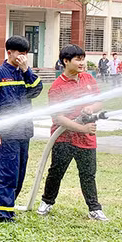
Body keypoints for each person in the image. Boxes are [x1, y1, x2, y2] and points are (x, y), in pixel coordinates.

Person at [38, 45, 107, 221]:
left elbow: (99, 102)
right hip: (64, 138)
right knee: (57, 171)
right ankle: (47, 202)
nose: (82, 63)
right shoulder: (57, 87)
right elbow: (58, 118)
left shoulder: (88, 79)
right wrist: (81, 128)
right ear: (66, 61)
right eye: (78, 59)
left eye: (83, 59)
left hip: (87, 138)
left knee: (88, 174)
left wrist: (91, 107)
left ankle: (94, 208)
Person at [0, 35, 43, 222]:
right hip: (7, 133)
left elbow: (36, 90)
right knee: (8, 172)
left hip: (24, 131)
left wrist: (26, 70)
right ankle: (4, 213)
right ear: (9, 52)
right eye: (20, 53)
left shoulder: (25, 73)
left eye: (26, 53)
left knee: (20, 172)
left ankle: (10, 205)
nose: (23, 57)